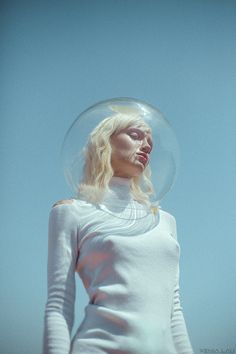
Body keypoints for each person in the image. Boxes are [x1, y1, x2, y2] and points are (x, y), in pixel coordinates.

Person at [43, 111, 194, 354]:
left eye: (150, 143)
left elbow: (174, 309)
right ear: (105, 141)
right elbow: (58, 304)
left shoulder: (165, 221)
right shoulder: (72, 212)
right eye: (135, 135)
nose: (145, 146)